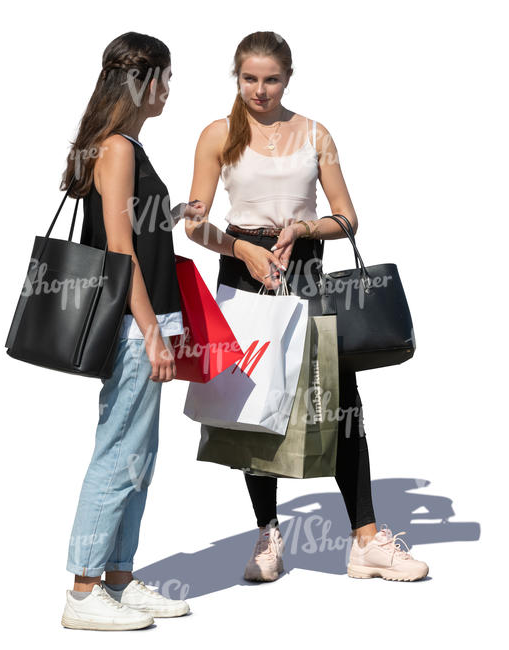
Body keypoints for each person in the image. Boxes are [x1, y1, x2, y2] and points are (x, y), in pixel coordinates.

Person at [185, 31, 429, 583]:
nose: (260, 90)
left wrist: (303, 225)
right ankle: (268, 534)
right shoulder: (218, 134)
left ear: (288, 78)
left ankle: (365, 539)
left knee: (340, 396)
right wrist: (240, 247)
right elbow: (193, 221)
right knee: (251, 399)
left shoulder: (316, 133)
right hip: (241, 264)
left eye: (271, 79)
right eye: (250, 78)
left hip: (306, 266)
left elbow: (347, 217)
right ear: (237, 77)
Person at [60, 32, 204, 631]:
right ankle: (84, 589)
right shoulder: (117, 148)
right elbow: (120, 250)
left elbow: (132, 228)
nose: (169, 90)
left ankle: (118, 575)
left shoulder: (126, 148)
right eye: (164, 78)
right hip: (134, 323)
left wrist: (173, 219)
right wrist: (151, 332)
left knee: (138, 453)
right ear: (144, 81)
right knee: (119, 452)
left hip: (147, 319)